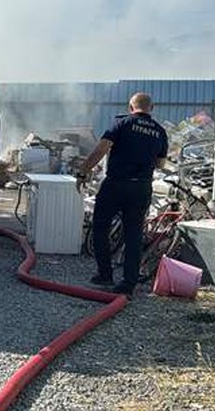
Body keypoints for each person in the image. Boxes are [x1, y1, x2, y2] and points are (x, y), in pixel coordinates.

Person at [77, 92, 168, 296]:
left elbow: (101, 149)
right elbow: (161, 163)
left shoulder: (121, 124)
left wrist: (83, 170)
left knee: (100, 226)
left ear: (130, 107)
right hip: (142, 187)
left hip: (116, 184)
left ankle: (105, 274)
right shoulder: (160, 132)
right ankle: (128, 283)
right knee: (134, 234)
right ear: (151, 108)